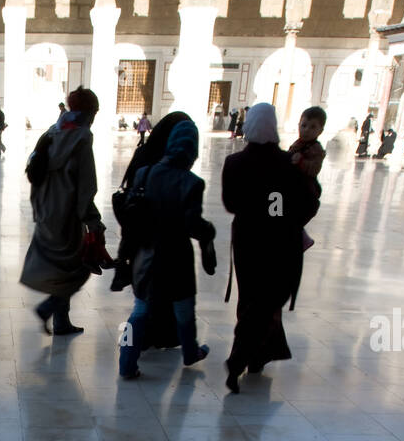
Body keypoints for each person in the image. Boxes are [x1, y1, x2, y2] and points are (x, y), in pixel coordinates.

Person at [221, 102, 320, 394]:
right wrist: (284, 219)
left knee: (250, 298)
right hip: (279, 244)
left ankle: (250, 356)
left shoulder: (235, 163)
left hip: (247, 242)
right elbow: (307, 204)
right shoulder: (288, 164)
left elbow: (230, 204)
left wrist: (254, 212)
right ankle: (246, 358)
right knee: (267, 303)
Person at [118, 119, 215, 380]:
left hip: (145, 254)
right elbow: (193, 224)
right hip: (176, 258)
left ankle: (126, 361)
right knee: (184, 310)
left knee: (139, 310)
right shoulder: (192, 182)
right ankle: (191, 352)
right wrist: (209, 232)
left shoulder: (144, 173)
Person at [19, 86, 108, 337]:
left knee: (61, 270)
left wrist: (39, 208)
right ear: (89, 111)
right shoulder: (82, 139)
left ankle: (62, 321)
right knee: (79, 269)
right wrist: (93, 219)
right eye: (94, 112)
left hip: (47, 212)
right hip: (68, 216)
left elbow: (34, 173)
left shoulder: (51, 133)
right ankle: (49, 308)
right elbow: (86, 186)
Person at [288, 105, 326, 251]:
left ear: (320, 130)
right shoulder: (297, 144)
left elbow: (314, 168)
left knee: (294, 220)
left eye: (312, 127)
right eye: (304, 126)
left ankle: (302, 239)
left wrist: (301, 162)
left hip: (306, 191)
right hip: (294, 189)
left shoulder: (316, 149)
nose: (306, 130)